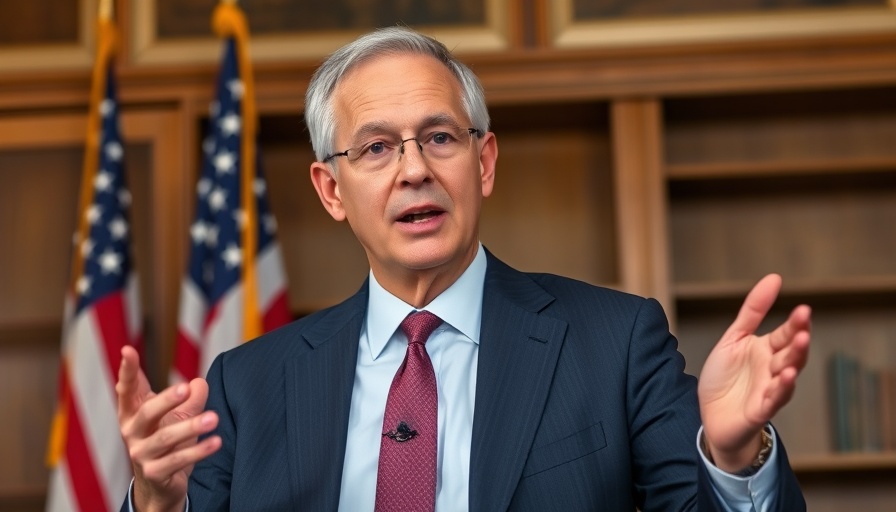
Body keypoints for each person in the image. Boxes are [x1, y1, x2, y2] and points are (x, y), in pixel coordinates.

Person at [117, 26, 811, 511]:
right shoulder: (248, 385)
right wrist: (155, 503)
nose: (415, 169)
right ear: (332, 190)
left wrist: (732, 459)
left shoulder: (615, 343)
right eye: (378, 148)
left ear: (483, 164)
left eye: (440, 137)